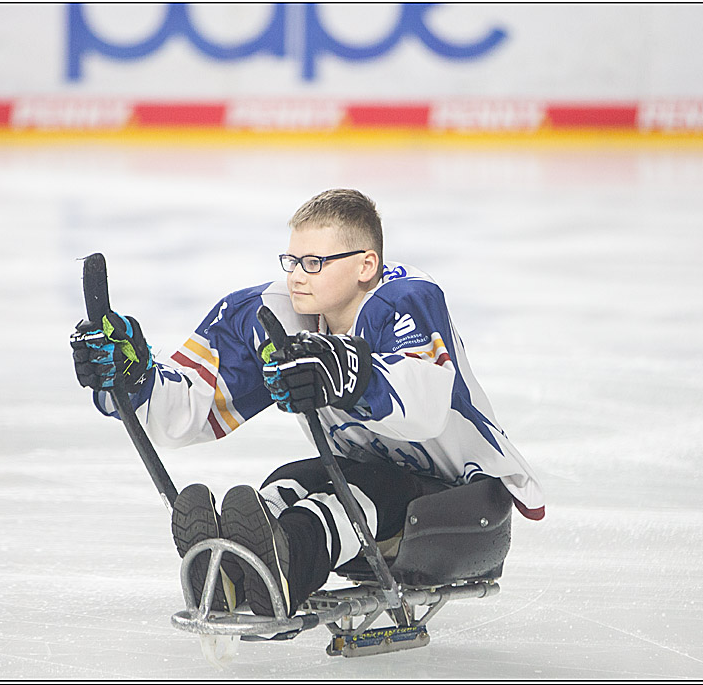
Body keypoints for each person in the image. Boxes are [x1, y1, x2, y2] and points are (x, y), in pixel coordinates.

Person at [70, 188, 545, 617]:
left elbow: (424, 406)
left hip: (463, 505)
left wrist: (347, 372)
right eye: (291, 260)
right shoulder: (272, 314)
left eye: (314, 262)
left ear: (366, 265)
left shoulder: (406, 298)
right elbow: (187, 410)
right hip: (368, 474)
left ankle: (284, 567)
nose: (297, 276)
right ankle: (235, 568)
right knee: (287, 484)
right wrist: (132, 379)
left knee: (358, 496)